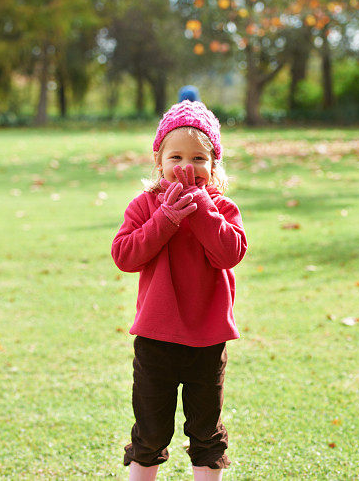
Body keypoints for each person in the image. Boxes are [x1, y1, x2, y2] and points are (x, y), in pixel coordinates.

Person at [111, 99, 247, 481]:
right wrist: (166, 218)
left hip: (207, 341)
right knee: (151, 431)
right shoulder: (145, 206)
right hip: (157, 340)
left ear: (214, 164)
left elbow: (230, 253)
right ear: (159, 162)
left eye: (199, 159)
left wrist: (202, 208)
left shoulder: (221, 207)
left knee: (206, 431)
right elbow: (124, 255)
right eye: (176, 157)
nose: (187, 168)